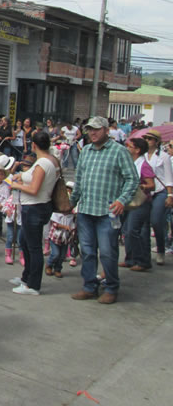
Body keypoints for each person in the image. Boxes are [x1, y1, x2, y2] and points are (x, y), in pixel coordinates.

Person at [69, 116, 138, 304]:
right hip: (86, 210)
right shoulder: (86, 152)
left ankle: (111, 287)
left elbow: (132, 179)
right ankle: (89, 286)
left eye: (97, 129)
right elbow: (80, 180)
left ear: (107, 131)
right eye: (90, 129)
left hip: (108, 213)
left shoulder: (119, 152)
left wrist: (122, 200)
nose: (92, 132)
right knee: (88, 252)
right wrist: (71, 202)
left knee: (108, 252)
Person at [8, 131, 60, 296]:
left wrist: (17, 185)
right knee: (25, 241)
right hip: (38, 206)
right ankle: (26, 277)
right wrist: (21, 176)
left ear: (34, 145)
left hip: (35, 207)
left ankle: (33, 284)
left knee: (33, 247)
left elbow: (34, 189)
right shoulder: (51, 160)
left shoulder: (43, 163)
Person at [122, 137, 155, 271]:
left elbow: (151, 185)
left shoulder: (143, 165)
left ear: (137, 150)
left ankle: (142, 261)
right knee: (127, 230)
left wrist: (140, 186)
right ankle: (130, 259)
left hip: (141, 202)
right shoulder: (131, 162)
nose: (127, 148)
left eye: (129, 146)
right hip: (130, 201)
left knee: (133, 231)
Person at [142, 129, 173, 266]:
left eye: (150, 138)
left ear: (156, 141)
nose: (147, 140)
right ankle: (145, 255)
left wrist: (170, 195)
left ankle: (161, 248)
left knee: (156, 221)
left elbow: (168, 178)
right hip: (146, 192)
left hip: (160, 192)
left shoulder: (164, 156)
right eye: (146, 138)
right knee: (143, 224)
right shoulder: (142, 155)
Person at [46, 209, 76, 278]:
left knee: (62, 256)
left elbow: (73, 225)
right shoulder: (56, 213)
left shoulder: (71, 215)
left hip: (65, 239)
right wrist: (65, 227)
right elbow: (55, 224)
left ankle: (58, 269)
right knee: (55, 254)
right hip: (55, 238)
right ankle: (49, 265)